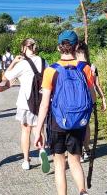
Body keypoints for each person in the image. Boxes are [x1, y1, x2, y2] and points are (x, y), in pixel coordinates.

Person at [34, 30, 96, 195]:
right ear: (77, 46)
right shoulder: (86, 69)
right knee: (75, 160)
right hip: (78, 122)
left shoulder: (51, 70)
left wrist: (39, 130)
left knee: (59, 163)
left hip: (57, 122)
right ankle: (82, 191)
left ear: (58, 47)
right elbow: (92, 98)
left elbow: (44, 104)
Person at [2, 38, 49, 171]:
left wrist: (14, 62)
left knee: (25, 130)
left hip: (25, 103)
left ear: (24, 48)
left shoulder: (22, 64)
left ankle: (26, 160)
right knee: (38, 129)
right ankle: (42, 151)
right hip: (41, 102)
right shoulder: (44, 61)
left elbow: (7, 76)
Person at [75, 41, 107, 163]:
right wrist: (103, 98)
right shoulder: (92, 66)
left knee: (76, 125)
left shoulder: (72, 65)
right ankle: (86, 149)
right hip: (89, 100)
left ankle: (78, 150)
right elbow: (97, 85)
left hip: (76, 100)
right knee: (86, 125)